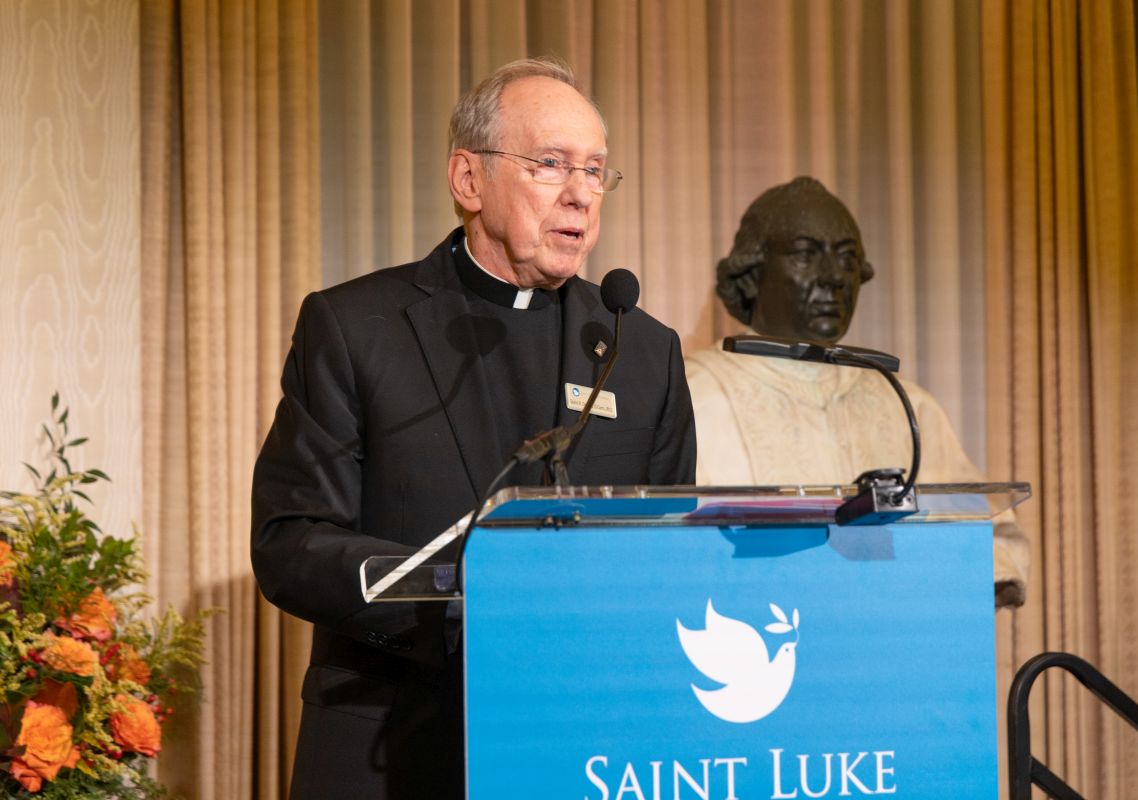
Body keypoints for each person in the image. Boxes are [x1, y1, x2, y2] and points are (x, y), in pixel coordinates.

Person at [251, 57, 696, 799]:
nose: (581, 195)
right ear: (468, 180)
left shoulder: (641, 350)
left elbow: (672, 549)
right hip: (394, 740)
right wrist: (456, 588)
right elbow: (291, 541)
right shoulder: (357, 326)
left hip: (582, 746)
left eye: (596, 171)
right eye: (551, 165)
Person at [686, 176, 1029, 608]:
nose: (833, 277)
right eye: (806, 255)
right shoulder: (695, 394)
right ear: (751, 276)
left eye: (847, 259)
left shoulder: (904, 402)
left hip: (892, 644)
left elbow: (989, 538)